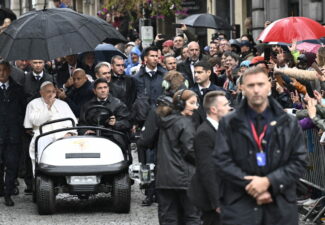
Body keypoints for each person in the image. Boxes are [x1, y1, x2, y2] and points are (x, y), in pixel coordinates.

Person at [213, 66, 307, 225]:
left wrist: (269, 182)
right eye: (250, 85)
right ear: (242, 87)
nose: (256, 90)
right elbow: (222, 160)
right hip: (240, 205)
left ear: (269, 85)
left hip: (280, 204)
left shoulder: (288, 122)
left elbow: (299, 161)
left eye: (260, 84)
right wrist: (251, 184)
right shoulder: (229, 122)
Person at [155, 89, 200, 225]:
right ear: (181, 104)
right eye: (192, 103)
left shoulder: (166, 122)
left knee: (168, 217)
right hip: (183, 177)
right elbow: (190, 150)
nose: (196, 107)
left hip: (164, 178)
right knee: (192, 217)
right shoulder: (184, 123)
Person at [188, 91, 231, 225]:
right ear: (213, 109)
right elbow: (207, 170)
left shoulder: (221, 128)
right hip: (212, 200)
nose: (229, 107)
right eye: (225, 104)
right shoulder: (204, 133)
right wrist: (217, 202)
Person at [24, 81, 77, 173]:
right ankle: (43, 174)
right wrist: (49, 107)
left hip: (62, 135)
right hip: (43, 135)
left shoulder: (63, 104)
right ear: (41, 92)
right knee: (43, 142)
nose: (51, 94)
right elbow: (35, 122)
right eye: (48, 91)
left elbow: (72, 122)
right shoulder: (33, 104)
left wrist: (70, 133)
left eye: (53, 92)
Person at [0, 60, 26, 206]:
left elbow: (23, 110)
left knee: (12, 165)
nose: (2, 73)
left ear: (10, 71)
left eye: (4, 70)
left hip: (13, 135)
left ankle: (8, 192)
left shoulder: (18, 89)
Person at [78, 78, 131, 150]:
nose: (103, 90)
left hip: (112, 135)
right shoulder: (87, 105)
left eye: (105, 87)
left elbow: (127, 123)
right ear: (94, 91)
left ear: (108, 89)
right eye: (100, 88)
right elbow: (82, 124)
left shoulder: (118, 104)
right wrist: (86, 131)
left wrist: (115, 123)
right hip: (93, 136)